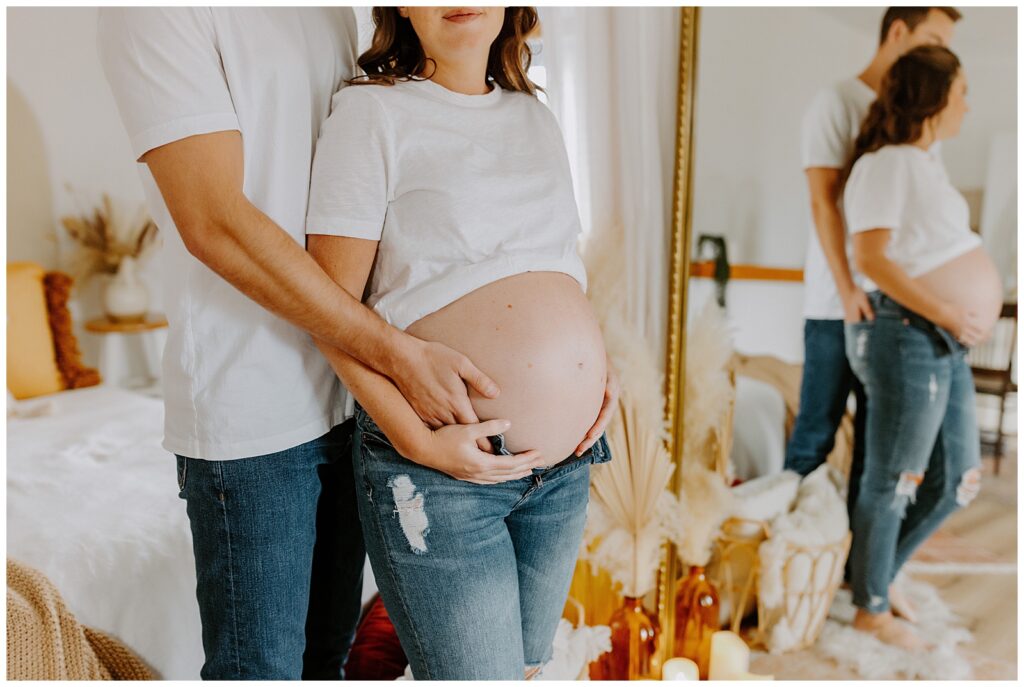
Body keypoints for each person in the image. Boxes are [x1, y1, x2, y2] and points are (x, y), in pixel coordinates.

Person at [96, 7, 568, 679]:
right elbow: (213, 221)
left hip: (350, 403)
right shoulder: (155, 14)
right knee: (260, 669)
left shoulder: (318, 9)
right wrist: (395, 353)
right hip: (251, 411)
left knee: (328, 664)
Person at [305, 6, 616, 679]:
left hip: (564, 469)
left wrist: (600, 370)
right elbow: (326, 310)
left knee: (530, 669)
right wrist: (416, 440)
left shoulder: (537, 117)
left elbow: (558, 264)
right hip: (442, 471)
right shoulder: (371, 114)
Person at [786, 6, 960, 618]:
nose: (941, 54)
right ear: (897, 33)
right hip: (840, 304)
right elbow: (822, 200)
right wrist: (848, 286)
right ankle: (783, 569)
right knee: (814, 433)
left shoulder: (914, 117)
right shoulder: (836, 100)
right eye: (934, 39)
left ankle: (856, 579)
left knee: (875, 456)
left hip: (897, 315)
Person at [842, 44, 1001, 649]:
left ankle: (872, 578)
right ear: (934, 97)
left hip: (941, 337)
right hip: (908, 334)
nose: (968, 103)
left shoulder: (925, 163)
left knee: (959, 478)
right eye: (961, 90)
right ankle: (870, 606)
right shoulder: (888, 164)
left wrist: (958, 317)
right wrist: (949, 312)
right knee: (896, 478)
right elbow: (871, 258)